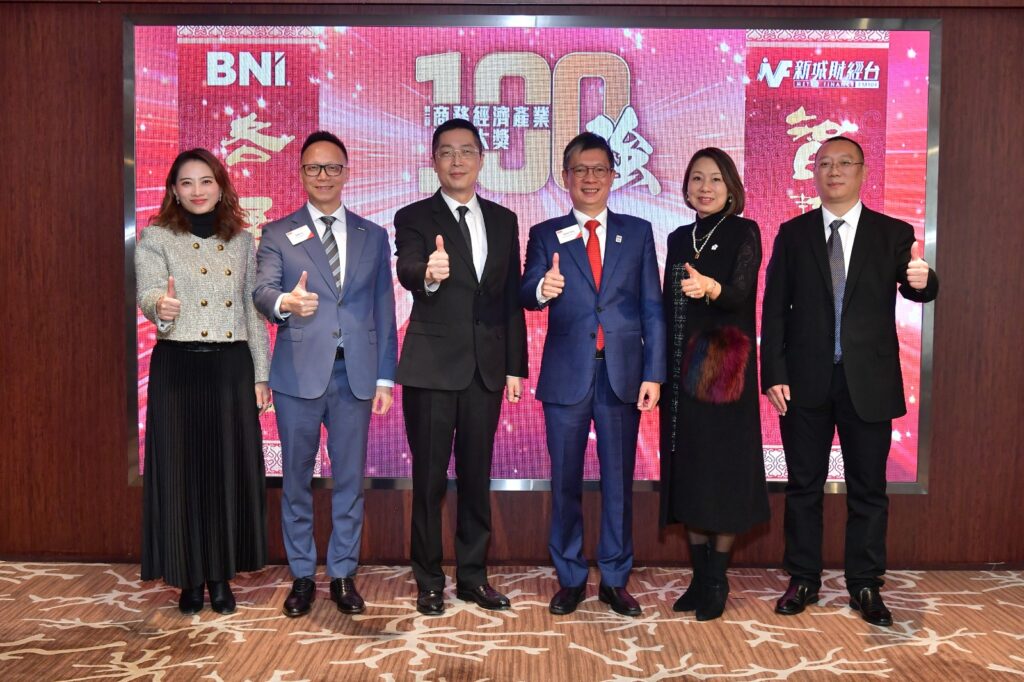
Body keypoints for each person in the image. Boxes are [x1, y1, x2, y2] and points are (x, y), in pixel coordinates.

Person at [761, 136, 939, 627]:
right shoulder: (793, 234)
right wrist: (773, 373)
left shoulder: (892, 233)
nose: (834, 171)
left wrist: (925, 281)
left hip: (869, 381)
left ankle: (865, 583)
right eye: (825, 164)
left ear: (863, 172)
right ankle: (803, 578)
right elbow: (774, 309)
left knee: (868, 490)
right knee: (803, 487)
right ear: (814, 172)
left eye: (845, 163)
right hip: (804, 382)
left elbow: (917, 286)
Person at [253, 131, 398, 618]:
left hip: (354, 377)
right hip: (297, 375)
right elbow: (262, 291)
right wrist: (284, 303)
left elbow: (383, 307)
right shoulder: (278, 232)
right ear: (300, 174)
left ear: (347, 172)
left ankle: (341, 574)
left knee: (349, 479)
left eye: (332, 167)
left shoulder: (372, 235)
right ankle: (301, 574)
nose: (323, 176)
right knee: (296, 478)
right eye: (314, 168)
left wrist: (384, 377)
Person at [521, 132, 665, 617]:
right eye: (580, 170)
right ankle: (570, 577)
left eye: (599, 169)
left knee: (618, 482)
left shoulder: (637, 232)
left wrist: (654, 373)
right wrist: (542, 288)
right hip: (567, 376)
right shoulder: (545, 233)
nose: (589, 178)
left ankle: (616, 579)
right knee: (564, 481)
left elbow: (652, 308)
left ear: (612, 176)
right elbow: (525, 289)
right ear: (565, 177)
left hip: (622, 375)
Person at [394, 118, 528, 616]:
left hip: (485, 371)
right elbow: (407, 265)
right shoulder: (414, 216)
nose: (457, 161)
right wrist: (427, 274)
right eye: (446, 152)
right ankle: (429, 580)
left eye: (466, 151)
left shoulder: (504, 220)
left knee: (476, 478)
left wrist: (515, 366)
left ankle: (473, 577)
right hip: (431, 369)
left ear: (481, 159)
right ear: (433, 161)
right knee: (429, 481)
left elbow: (509, 299)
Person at [137, 148, 271, 615]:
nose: (197, 191)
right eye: (187, 183)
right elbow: (148, 290)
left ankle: (221, 575)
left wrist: (261, 373)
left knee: (225, 472)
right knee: (182, 475)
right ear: (174, 190)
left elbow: (253, 311)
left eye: (206, 181)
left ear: (220, 187)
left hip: (230, 368)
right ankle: (189, 577)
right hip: (179, 367)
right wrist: (161, 306)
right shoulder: (156, 237)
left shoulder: (242, 241)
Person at [659, 148, 770, 621]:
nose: (706, 188)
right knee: (690, 472)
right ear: (686, 188)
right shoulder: (678, 237)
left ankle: (718, 579)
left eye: (716, 180)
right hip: (679, 374)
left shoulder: (745, 231)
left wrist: (711, 288)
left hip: (724, 374)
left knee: (722, 475)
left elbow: (741, 293)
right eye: (697, 179)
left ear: (731, 189)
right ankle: (699, 577)